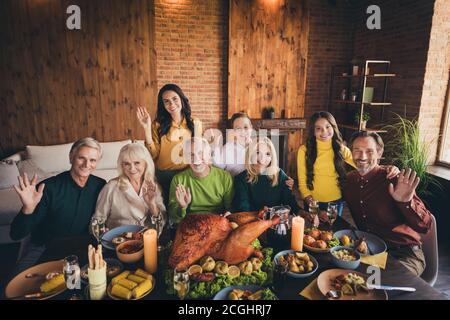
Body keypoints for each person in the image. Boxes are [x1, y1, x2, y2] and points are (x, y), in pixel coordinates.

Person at [342, 131, 432, 276]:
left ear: (379, 153)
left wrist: (406, 202)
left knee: (385, 287)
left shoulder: (395, 179)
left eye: (369, 151)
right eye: (357, 150)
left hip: (404, 254)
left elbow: (425, 226)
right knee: (350, 281)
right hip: (370, 252)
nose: (362, 157)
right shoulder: (349, 181)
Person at [10, 138, 106, 272]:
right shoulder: (48, 188)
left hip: (81, 245)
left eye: (92, 160)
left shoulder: (100, 185)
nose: (86, 164)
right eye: (81, 158)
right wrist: (28, 208)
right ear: (71, 158)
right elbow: (15, 234)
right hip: (45, 247)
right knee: (14, 289)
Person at [297, 111, 399, 217]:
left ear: (333, 127)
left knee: (335, 232)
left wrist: (386, 168)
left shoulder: (341, 149)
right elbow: (302, 184)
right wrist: (314, 206)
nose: (324, 132)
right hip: (312, 202)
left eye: (328, 127)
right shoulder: (304, 150)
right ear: (313, 131)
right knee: (311, 232)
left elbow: (363, 165)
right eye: (318, 128)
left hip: (335, 203)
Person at [136, 84, 202, 204]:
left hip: (186, 174)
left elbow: (197, 153)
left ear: (181, 99)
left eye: (175, 99)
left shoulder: (195, 123)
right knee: (165, 208)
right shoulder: (158, 125)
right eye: (166, 101)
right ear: (163, 105)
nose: (171, 104)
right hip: (164, 175)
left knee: (184, 207)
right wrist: (146, 129)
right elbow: (153, 154)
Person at [93, 143, 166, 230]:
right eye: (127, 164)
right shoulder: (111, 187)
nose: (132, 169)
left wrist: (152, 205)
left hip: (146, 240)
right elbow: (97, 221)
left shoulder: (154, 187)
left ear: (146, 164)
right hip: (117, 240)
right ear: (122, 166)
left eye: (137, 163)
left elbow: (161, 225)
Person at [212, 112, 294, 188]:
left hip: (256, 188)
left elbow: (270, 165)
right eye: (238, 128)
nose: (243, 131)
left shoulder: (258, 146)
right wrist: (215, 147)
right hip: (235, 189)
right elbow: (217, 169)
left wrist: (285, 179)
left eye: (246, 127)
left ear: (251, 128)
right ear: (233, 131)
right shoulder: (227, 148)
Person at [168, 137, 234, 224]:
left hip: (217, 223)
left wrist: (228, 214)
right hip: (190, 224)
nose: (196, 158)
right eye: (191, 155)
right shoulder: (178, 180)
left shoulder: (225, 177)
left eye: (200, 153)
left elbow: (231, 209)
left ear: (209, 155)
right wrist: (182, 206)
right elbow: (174, 219)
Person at [233, 137, 300, 214]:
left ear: (272, 157)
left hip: (275, 221)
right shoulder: (241, 179)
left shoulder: (279, 174)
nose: (262, 158)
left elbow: (290, 203)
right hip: (252, 222)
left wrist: (301, 212)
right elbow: (243, 209)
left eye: (268, 154)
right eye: (258, 152)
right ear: (250, 154)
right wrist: (259, 214)